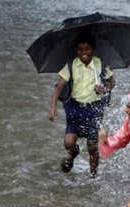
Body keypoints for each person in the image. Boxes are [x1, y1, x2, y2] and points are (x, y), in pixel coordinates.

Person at [49, 32, 115, 177]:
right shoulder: (71, 65)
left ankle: (93, 175)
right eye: (80, 50)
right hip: (74, 108)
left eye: (87, 49)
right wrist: (53, 107)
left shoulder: (100, 64)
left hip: (94, 109)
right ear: (76, 50)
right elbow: (59, 87)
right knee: (68, 142)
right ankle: (73, 153)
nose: (83, 53)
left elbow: (112, 81)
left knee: (92, 147)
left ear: (93, 49)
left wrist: (105, 89)